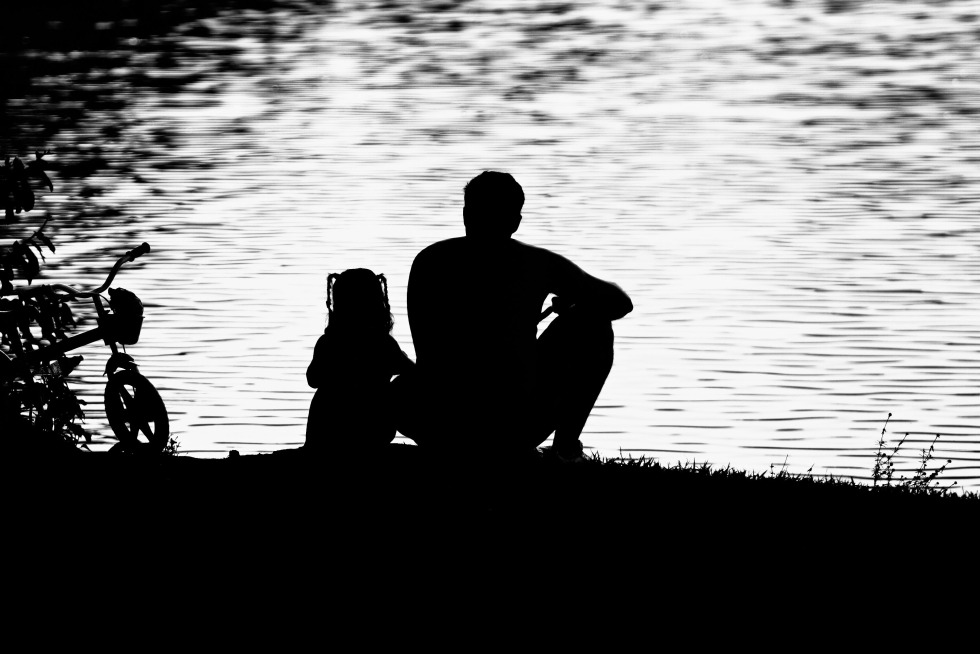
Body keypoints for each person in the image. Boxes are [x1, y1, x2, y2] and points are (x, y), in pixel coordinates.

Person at [395, 171, 633, 461]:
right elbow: (620, 303)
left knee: (402, 384)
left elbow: (426, 348)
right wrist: (573, 303)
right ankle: (565, 448)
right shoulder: (540, 264)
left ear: (466, 214)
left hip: (437, 421)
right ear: (515, 222)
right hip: (515, 425)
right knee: (595, 324)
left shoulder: (429, 260)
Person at [305, 268, 414, 453]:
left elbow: (312, 379)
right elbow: (411, 372)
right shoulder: (383, 343)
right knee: (404, 384)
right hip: (372, 432)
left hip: (325, 432)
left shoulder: (328, 342)